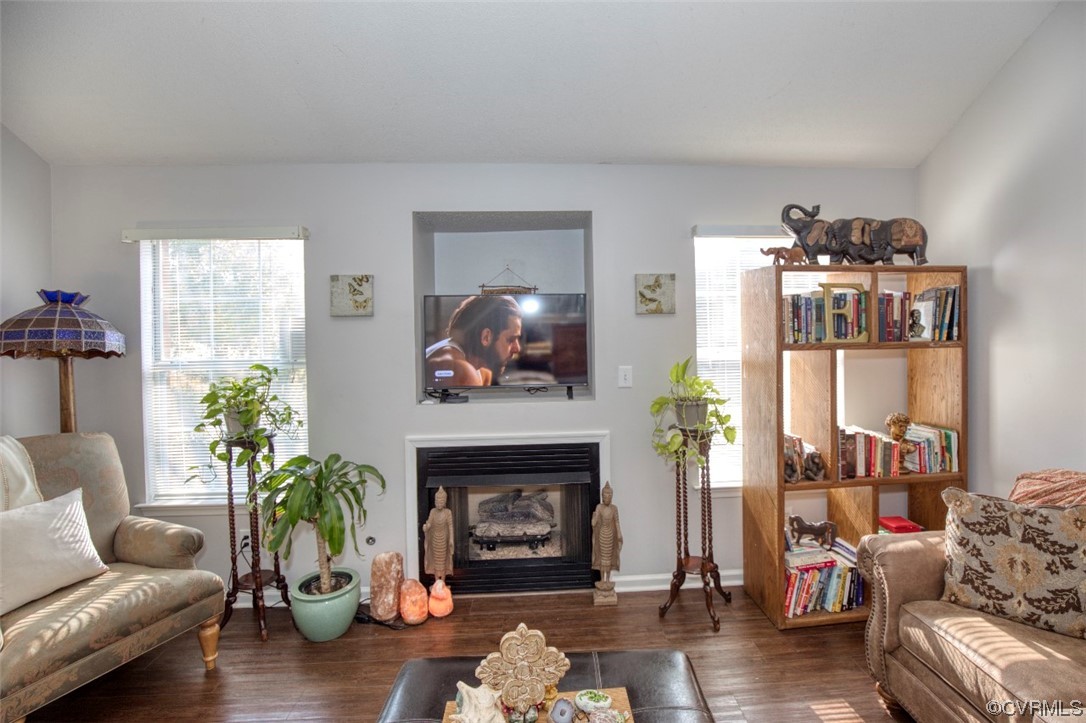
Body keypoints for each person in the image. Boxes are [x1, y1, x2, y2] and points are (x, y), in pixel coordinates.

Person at [425, 295, 523, 387]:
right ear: (486, 337)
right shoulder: (459, 368)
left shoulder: (481, 371)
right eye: (510, 340)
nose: (517, 348)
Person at [591, 481, 622, 584]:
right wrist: (594, 517)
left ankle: (608, 580)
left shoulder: (614, 508)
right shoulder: (599, 507)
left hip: (610, 535)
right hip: (602, 534)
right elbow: (594, 523)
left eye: (609, 496)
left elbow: (617, 522)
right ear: (602, 497)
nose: (607, 498)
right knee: (602, 557)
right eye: (605, 496)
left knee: (608, 557)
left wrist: (619, 534)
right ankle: (601, 580)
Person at [423, 486, 454, 582]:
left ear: (444, 502)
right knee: (436, 561)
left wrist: (451, 539)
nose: (439, 504)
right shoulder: (433, 511)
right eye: (437, 502)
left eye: (441, 502)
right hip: (434, 539)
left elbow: (450, 526)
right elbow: (429, 523)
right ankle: (437, 582)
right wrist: (426, 527)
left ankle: (443, 583)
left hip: (444, 539)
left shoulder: (448, 512)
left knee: (443, 561)